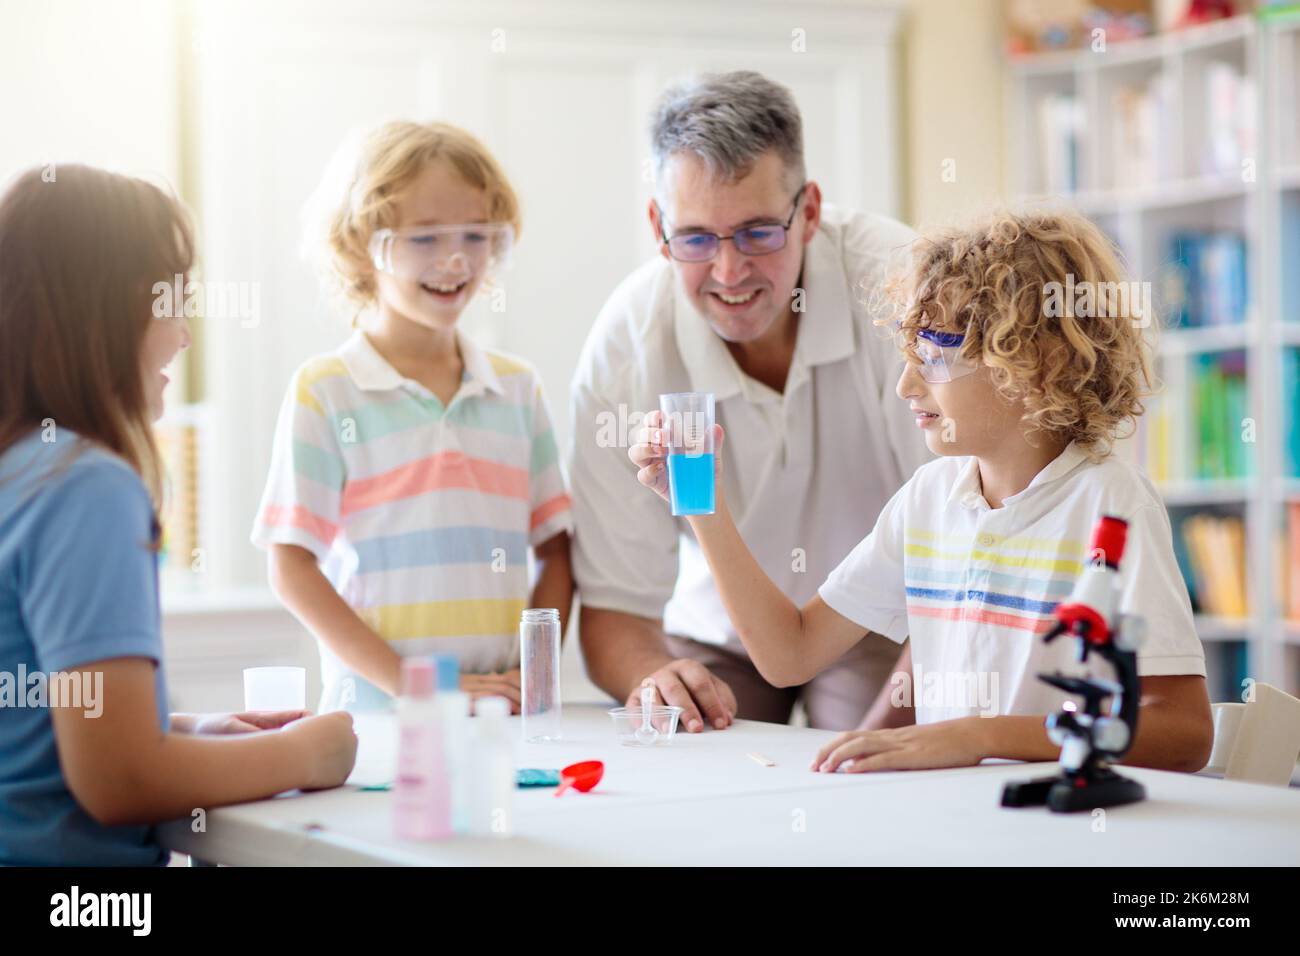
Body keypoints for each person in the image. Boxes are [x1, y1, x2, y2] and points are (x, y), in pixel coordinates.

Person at [630, 209, 1214, 773]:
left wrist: (981, 736)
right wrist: (702, 504)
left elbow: (1183, 733)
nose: (907, 384)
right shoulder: (931, 498)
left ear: (1039, 363)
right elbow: (789, 655)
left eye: (935, 355)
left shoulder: (1110, 505)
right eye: (909, 355)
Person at [0, 165, 357, 866]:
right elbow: (121, 780)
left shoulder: (19, 470)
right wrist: (303, 753)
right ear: (106, 309)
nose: (185, 337)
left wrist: (185, 728)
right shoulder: (86, 489)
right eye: (172, 300)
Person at [570, 71, 928, 732]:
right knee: (695, 754)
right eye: (697, 238)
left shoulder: (900, 290)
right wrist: (655, 677)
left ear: (810, 212)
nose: (730, 273)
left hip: (887, 624)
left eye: (759, 233)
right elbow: (614, 611)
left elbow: (963, 550)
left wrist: (870, 750)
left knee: (870, 784)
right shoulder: (627, 348)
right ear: (657, 225)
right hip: (721, 632)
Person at [253, 121, 574, 713]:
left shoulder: (518, 391)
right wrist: (411, 683)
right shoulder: (326, 391)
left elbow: (557, 549)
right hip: (375, 717)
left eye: (476, 236)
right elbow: (290, 564)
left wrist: (535, 675)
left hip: (498, 711)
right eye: (424, 238)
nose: (455, 260)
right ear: (361, 246)